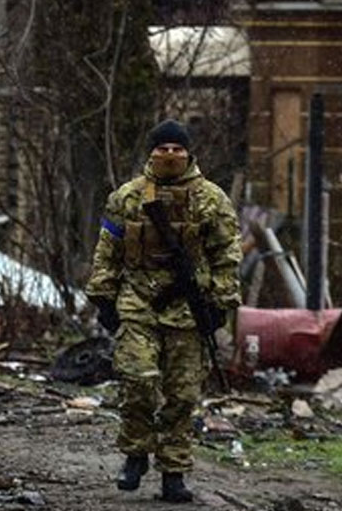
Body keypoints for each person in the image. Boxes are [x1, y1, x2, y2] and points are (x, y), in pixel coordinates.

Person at [87, 119, 242, 503]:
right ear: (151, 152)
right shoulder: (127, 197)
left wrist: (220, 303)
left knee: (182, 394)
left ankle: (174, 470)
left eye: (177, 149)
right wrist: (104, 298)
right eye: (162, 148)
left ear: (189, 153)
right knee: (137, 380)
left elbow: (226, 255)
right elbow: (108, 250)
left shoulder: (212, 200)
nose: (170, 155)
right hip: (137, 302)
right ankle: (136, 453)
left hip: (188, 308)